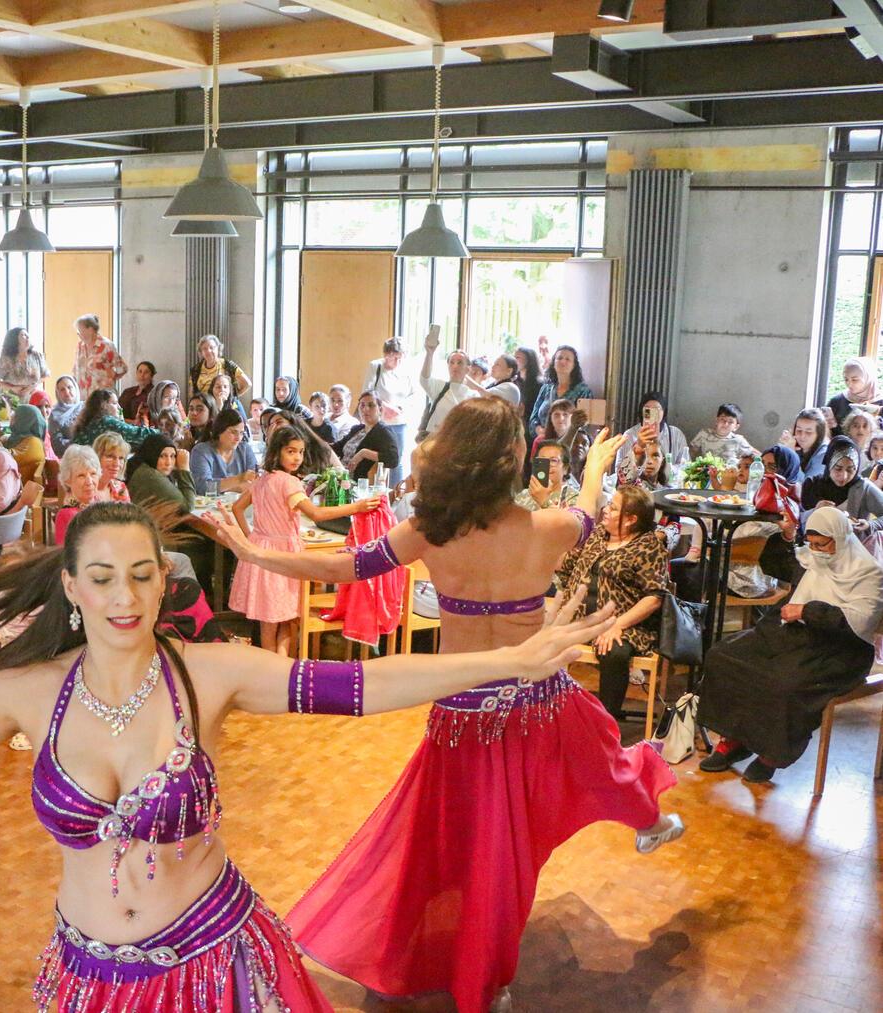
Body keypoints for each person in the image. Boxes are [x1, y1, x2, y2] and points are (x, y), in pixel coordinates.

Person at [0, 498, 618, 1012]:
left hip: (217, 961)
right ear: (71, 582)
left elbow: (363, 690)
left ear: (162, 580)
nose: (124, 593)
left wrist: (509, 658)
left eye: (142, 573)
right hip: (91, 975)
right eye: (102, 574)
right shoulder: (25, 694)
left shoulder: (210, 672)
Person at [209, 396, 681, 1013]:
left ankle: (480, 977)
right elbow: (589, 513)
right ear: (510, 461)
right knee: (599, 761)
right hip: (538, 702)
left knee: (474, 847)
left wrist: (255, 554)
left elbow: (349, 567)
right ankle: (644, 826)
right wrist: (593, 468)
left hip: (463, 714)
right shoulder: (546, 528)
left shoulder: (430, 532)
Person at [699, 505, 883, 783]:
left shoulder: (869, 574)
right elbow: (774, 565)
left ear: (842, 538)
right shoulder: (813, 558)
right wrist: (787, 537)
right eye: (812, 544)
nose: (817, 551)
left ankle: (771, 755)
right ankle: (734, 740)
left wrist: (807, 611)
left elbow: (858, 621)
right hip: (796, 634)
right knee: (724, 657)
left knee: (784, 682)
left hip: (839, 649)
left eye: (822, 544)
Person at [230, 426, 382, 654]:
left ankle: (273, 668)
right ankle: (281, 668)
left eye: (300, 452)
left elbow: (237, 507)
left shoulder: (262, 480)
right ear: (277, 452)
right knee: (286, 615)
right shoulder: (289, 483)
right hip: (285, 555)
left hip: (262, 549)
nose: (297, 458)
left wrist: (251, 538)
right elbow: (317, 514)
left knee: (269, 619)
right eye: (291, 451)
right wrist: (357, 507)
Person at [555, 486, 672, 722]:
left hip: (627, 624)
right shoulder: (597, 534)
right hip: (579, 620)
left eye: (613, 508)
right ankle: (554, 716)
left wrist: (618, 624)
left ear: (631, 519)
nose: (606, 510)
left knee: (613, 650)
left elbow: (654, 597)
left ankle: (607, 722)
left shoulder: (648, 547)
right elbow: (565, 567)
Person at [125, 434, 214, 585]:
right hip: (154, 539)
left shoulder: (142, 468)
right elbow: (187, 506)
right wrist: (184, 469)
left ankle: (211, 595)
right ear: (152, 454)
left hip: (150, 531)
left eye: (173, 456)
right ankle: (205, 595)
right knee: (206, 542)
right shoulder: (150, 476)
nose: (169, 462)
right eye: (163, 456)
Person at [362, 338, 423, 483]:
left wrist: (400, 408)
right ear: (385, 354)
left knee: (396, 459)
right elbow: (367, 391)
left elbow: (415, 394)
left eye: (399, 358)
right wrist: (385, 406)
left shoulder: (408, 370)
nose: (396, 361)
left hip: (399, 421)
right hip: (378, 421)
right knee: (375, 458)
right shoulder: (376, 366)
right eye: (392, 357)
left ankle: (394, 494)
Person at [800, 436, 883, 539]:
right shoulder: (812, 485)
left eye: (850, 470)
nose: (844, 476)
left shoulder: (863, 488)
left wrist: (870, 525)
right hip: (813, 551)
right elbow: (797, 522)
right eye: (838, 468)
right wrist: (814, 511)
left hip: (851, 552)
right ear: (829, 464)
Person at [417, 328, 477, 443]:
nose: (455, 366)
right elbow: (424, 379)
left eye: (460, 363)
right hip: (433, 440)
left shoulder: (473, 395)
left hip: (458, 442)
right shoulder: (439, 386)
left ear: (468, 369)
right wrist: (430, 353)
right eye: (452, 362)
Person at [615, 391, 690, 481]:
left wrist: (665, 469)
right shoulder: (630, 435)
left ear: (664, 412)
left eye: (656, 410)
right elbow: (619, 474)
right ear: (641, 411)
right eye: (647, 410)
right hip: (638, 489)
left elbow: (686, 469)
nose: (651, 414)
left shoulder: (676, 435)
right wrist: (638, 449)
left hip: (668, 489)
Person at [188, 408, 258, 495]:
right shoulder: (201, 451)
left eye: (241, 433)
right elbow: (202, 487)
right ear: (219, 431)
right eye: (233, 432)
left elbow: (255, 482)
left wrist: (223, 487)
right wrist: (239, 479)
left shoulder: (245, 449)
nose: (238, 438)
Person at [335, 390, 399, 482]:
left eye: (371, 405)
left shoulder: (383, 431)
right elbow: (336, 448)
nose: (365, 409)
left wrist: (364, 453)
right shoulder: (357, 429)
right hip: (340, 477)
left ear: (380, 409)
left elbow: (393, 459)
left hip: (357, 484)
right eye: (362, 405)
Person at [529, 343, 593, 432]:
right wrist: (538, 430)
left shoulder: (583, 391)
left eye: (568, 359)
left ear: (574, 365)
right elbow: (533, 418)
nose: (563, 362)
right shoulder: (546, 388)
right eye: (559, 358)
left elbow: (584, 424)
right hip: (544, 441)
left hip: (569, 443)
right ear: (553, 363)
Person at [71, 388, 159, 449]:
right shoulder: (107, 422)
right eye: (114, 403)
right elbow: (139, 434)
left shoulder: (88, 422)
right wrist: (164, 431)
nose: (119, 407)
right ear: (103, 405)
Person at [53, 444, 102, 545]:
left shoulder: (100, 503)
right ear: (68, 480)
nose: (89, 481)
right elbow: (64, 556)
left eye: (93, 474)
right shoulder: (66, 515)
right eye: (81, 476)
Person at [515, 439, 579, 511]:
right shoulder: (523, 495)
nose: (547, 466)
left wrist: (545, 501)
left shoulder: (573, 497)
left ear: (565, 468)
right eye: (542, 461)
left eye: (553, 461)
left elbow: (569, 522)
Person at [72, 314, 126, 399]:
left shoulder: (106, 346)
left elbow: (122, 369)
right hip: (83, 398)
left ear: (90, 330)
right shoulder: (80, 346)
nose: (78, 334)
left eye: (80, 330)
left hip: (102, 397)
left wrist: (111, 378)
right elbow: (75, 370)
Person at [0, 327, 49, 403]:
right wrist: (12, 388)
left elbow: (46, 374)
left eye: (28, 335)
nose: (27, 337)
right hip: (10, 400)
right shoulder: (7, 358)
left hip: (32, 398)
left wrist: (32, 386)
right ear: (14, 340)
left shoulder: (36, 355)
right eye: (23, 335)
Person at [689, 403, 758, 466]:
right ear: (717, 420)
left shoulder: (738, 440)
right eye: (722, 419)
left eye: (730, 422)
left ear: (736, 427)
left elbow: (755, 454)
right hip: (707, 473)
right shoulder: (705, 434)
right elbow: (691, 451)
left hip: (729, 476)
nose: (725, 424)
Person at [826, 356, 882, 433]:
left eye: (854, 380)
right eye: (846, 379)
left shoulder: (881, 402)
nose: (849, 384)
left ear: (868, 378)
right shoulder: (836, 402)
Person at [189, 333, 250, 400]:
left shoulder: (227, 365)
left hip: (225, 407)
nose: (208, 351)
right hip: (205, 406)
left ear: (218, 349)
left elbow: (247, 384)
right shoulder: (195, 370)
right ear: (201, 352)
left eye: (211, 347)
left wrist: (232, 397)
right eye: (204, 349)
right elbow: (192, 393)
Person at [779, 408, 830, 480]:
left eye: (808, 432)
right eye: (799, 430)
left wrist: (791, 455)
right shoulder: (793, 443)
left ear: (819, 434)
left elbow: (806, 486)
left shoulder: (824, 454)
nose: (802, 436)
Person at [6, 404, 47, 485]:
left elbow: (5, 460)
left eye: (15, 417)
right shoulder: (21, 439)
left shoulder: (33, 443)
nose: (11, 419)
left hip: (21, 492)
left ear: (24, 420)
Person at [91, 431, 131, 503]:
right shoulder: (84, 489)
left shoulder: (120, 488)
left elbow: (129, 514)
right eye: (110, 456)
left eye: (121, 458)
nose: (117, 463)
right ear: (96, 457)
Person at [49, 375, 82, 457]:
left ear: (75, 388)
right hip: (69, 457)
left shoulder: (86, 407)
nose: (67, 392)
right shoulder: (54, 415)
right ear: (58, 393)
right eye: (62, 389)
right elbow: (56, 444)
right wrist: (79, 443)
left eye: (69, 387)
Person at [513, 347, 542, 428]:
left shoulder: (539, 384)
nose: (514, 360)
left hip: (530, 425)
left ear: (528, 360)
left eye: (518, 357)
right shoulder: (514, 381)